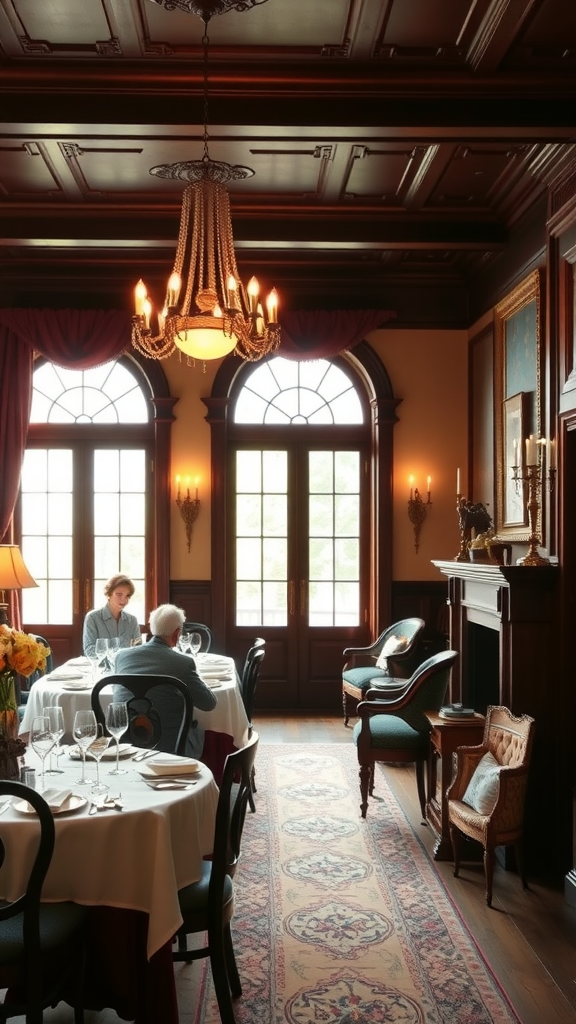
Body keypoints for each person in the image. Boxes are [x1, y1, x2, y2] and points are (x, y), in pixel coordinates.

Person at [114, 603, 217, 759]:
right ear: (177, 634)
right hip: (171, 747)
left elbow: (117, 692)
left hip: (124, 743)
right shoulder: (183, 663)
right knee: (203, 732)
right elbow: (209, 703)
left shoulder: (121, 656)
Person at [83, 574, 141, 655]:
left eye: (127, 595)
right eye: (119, 594)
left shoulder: (132, 620)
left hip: (126, 666)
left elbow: (138, 650)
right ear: (109, 594)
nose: (124, 599)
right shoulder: (92, 618)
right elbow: (90, 650)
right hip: (101, 667)